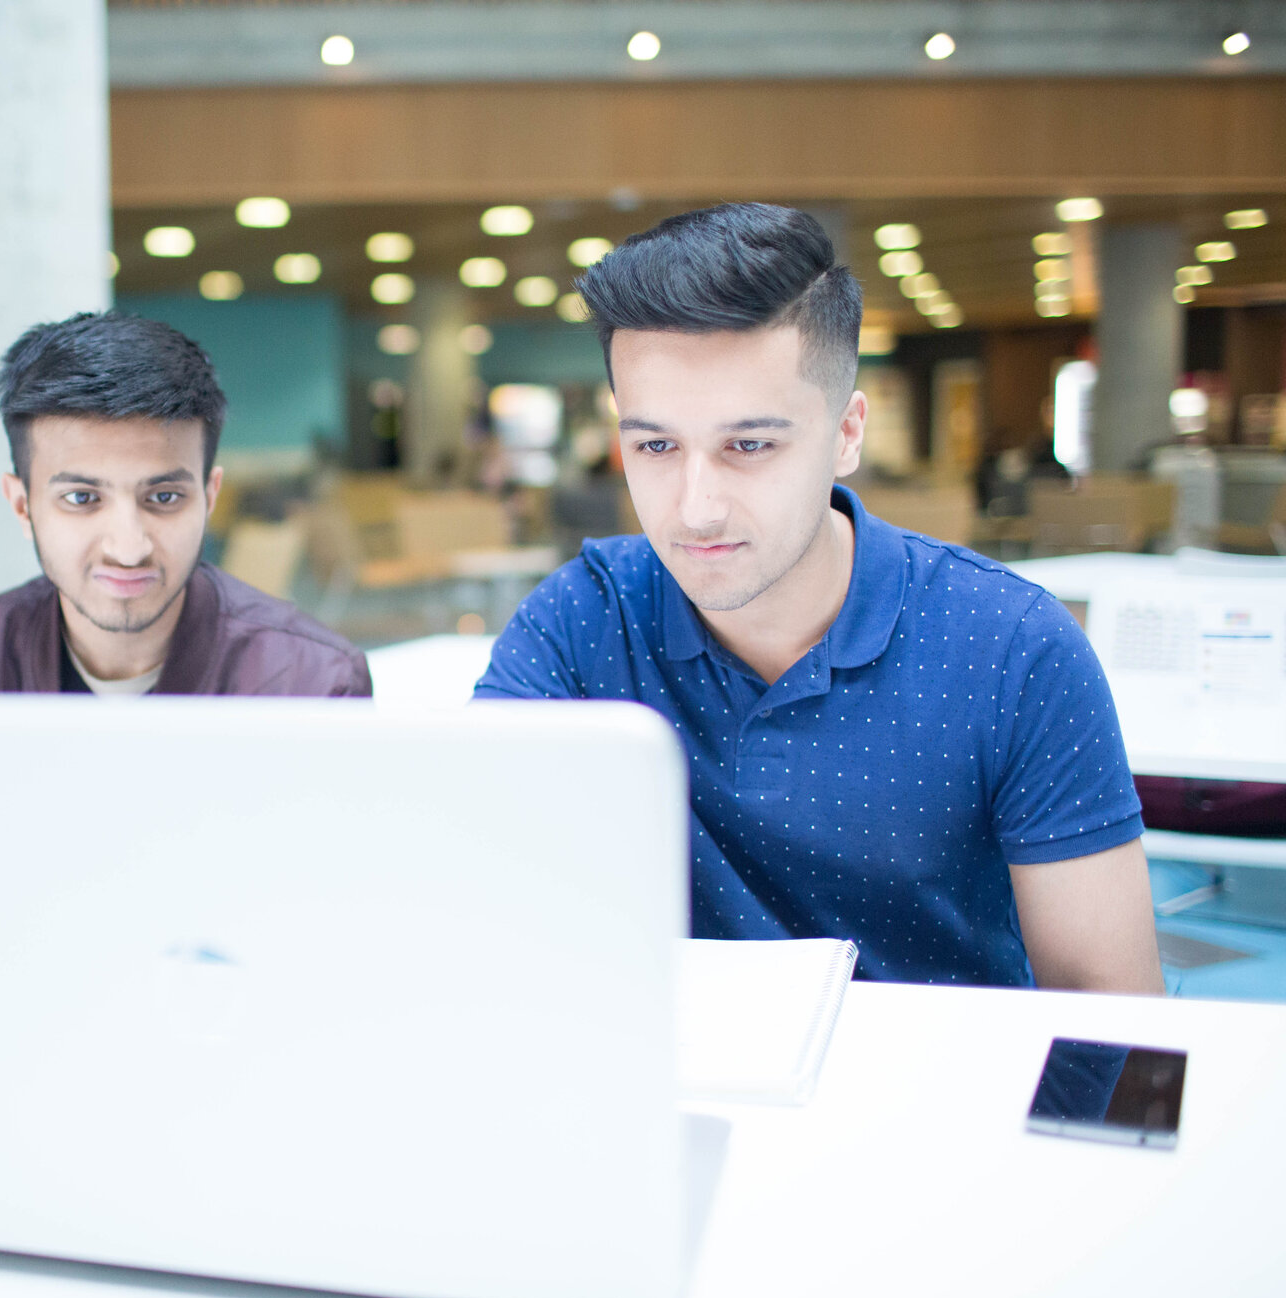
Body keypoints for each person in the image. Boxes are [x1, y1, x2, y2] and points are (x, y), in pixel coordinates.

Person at [475, 203, 1161, 992]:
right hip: (678, 1099)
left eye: (750, 445)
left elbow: (1119, 1023)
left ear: (846, 433)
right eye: (656, 445)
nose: (695, 507)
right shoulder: (581, 620)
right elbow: (477, 910)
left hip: (937, 1094)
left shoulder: (1011, 647)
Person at [0, 311, 370, 697]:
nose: (128, 549)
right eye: (82, 498)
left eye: (163, 498)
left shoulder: (311, 682)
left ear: (209, 497)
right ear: (23, 507)